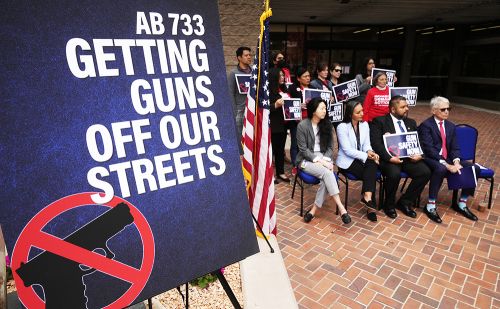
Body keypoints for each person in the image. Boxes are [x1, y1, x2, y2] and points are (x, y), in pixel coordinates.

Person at [418, 96, 480, 222]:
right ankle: (430, 205)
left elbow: (455, 147)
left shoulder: (451, 126)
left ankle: (462, 203)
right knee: (440, 169)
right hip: (431, 158)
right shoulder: (426, 126)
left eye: (448, 108)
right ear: (434, 110)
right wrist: (447, 165)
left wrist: (456, 162)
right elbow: (429, 149)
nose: (447, 111)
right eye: (443, 109)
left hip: (449, 158)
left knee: (474, 168)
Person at [370, 96, 431, 219]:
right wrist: (389, 158)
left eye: (407, 106)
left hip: (408, 158)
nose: (406, 109)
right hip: (390, 159)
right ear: (393, 109)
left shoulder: (411, 122)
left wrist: (420, 155)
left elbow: (419, 143)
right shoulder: (379, 121)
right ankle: (389, 205)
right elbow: (376, 144)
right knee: (394, 174)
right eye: (403, 107)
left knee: (425, 172)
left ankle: (405, 202)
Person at [296, 97, 350, 224]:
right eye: (322, 108)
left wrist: (326, 159)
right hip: (305, 160)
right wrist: (323, 162)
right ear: (313, 111)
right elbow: (303, 150)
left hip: (322, 156)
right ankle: (342, 208)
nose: (325, 111)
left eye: (325, 108)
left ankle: (313, 211)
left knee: (326, 177)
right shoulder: (302, 125)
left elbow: (331, 147)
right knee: (328, 173)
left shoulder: (327, 125)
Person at [336, 100, 380, 222]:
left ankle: (367, 198)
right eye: (358, 112)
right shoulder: (342, 127)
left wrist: (370, 152)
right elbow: (347, 150)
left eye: (362, 111)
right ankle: (370, 205)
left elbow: (366, 144)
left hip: (361, 159)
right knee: (371, 171)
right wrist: (366, 156)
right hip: (347, 162)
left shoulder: (365, 125)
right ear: (350, 114)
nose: (362, 114)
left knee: (371, 165)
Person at [227, 46, 252, 154]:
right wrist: (234, 111)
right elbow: (230, 93)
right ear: (239, 58)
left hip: (252, 110)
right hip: (239, 112)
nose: (249, 57)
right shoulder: (233, 73)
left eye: (250, 55)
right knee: (238, 140)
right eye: (246, 55)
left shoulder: (255, 73)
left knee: (252, 138)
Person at [269, 67, 291, 183]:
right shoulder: (267, 91)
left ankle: (280, 172)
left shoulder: (284, 89)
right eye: (280, 75)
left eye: (283, 75)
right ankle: (270, 174)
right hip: (273, 125)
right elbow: (263, 108)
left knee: (280, 150)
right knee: (271, 151)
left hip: (283, 125)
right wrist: (275, 106)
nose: (283, 77)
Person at [289, 67, 312, 165]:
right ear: (298, 78)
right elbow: (288, 104)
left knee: (307, 143)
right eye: (305, 76)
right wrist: (299, 105)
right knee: (295, 144)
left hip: (310, 120)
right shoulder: (293, 88)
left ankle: (305, 163)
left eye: (309, 76)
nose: (308, 78)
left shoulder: (312, 88)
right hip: (297, 121)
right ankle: (295, 165)